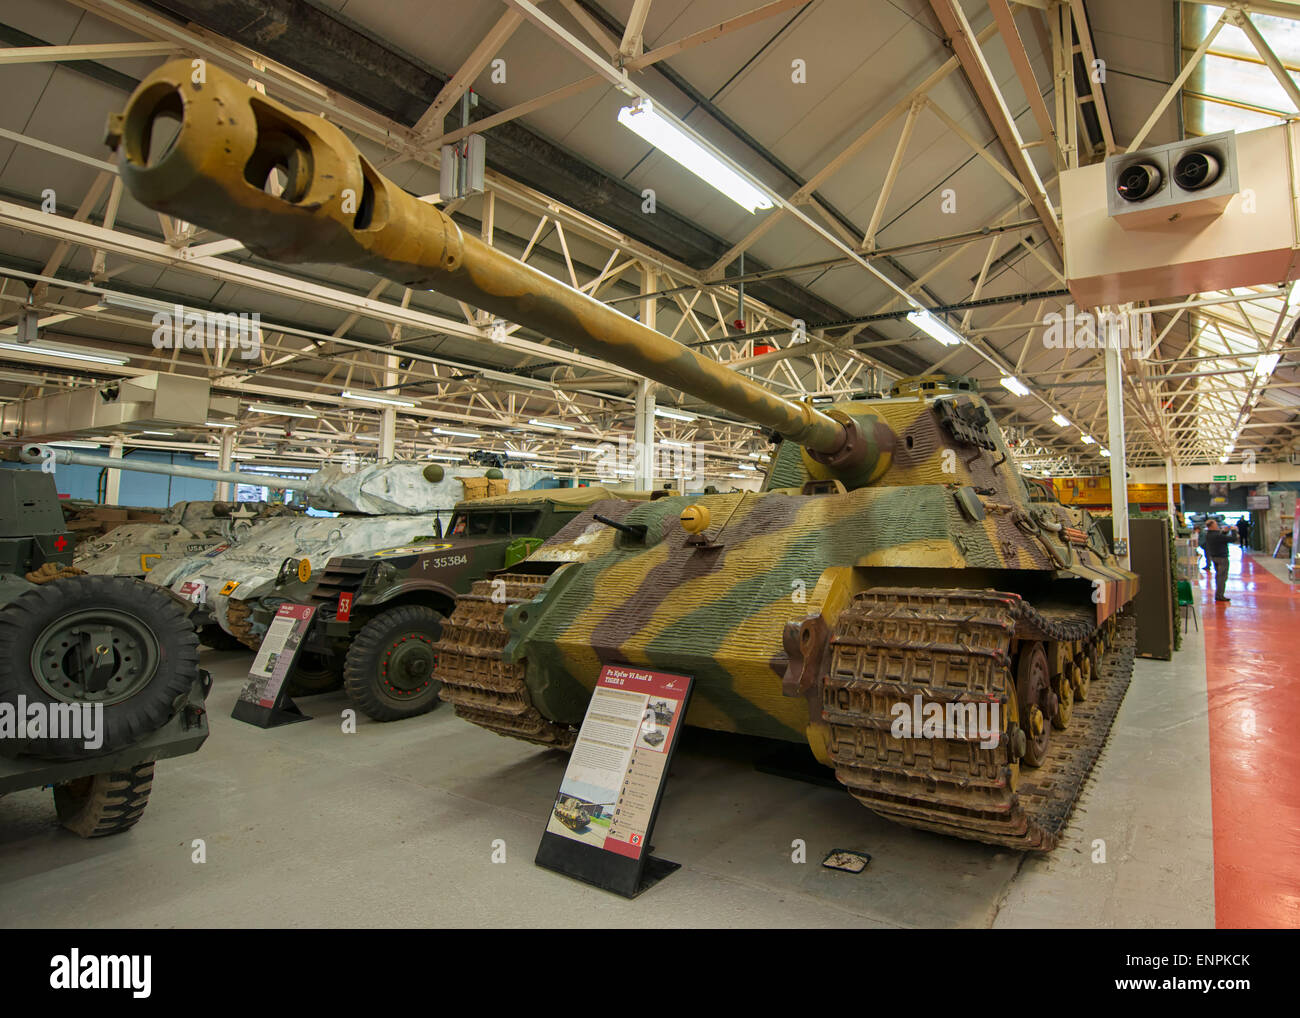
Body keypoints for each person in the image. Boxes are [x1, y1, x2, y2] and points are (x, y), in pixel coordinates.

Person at [1205, 519, 1233, 603]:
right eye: (1215, 524)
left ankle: (1219, 594)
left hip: (1214, 556)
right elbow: (1232, 539)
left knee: (1219, 576)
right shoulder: (1216, 535)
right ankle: (1220, 595)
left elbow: (1221, 538)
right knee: (1222, 577)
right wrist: (1234, 530)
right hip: (1222, 558)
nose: (1217, 526)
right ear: (1212, 526)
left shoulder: (1209, 535)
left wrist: (1224, 532)